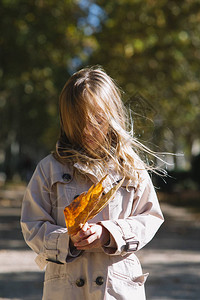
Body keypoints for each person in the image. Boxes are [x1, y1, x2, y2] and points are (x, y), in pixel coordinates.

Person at [21, 67, 164, 300]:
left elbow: (150, 217)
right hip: (66, 288)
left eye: (98, 119)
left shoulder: (130, 168)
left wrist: (109, 233)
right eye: (79, 121)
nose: (88, 130)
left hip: (117, 289)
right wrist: (67, 240)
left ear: (113, 115)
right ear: (66, 120)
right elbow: (32, 223)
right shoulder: (50, 169)